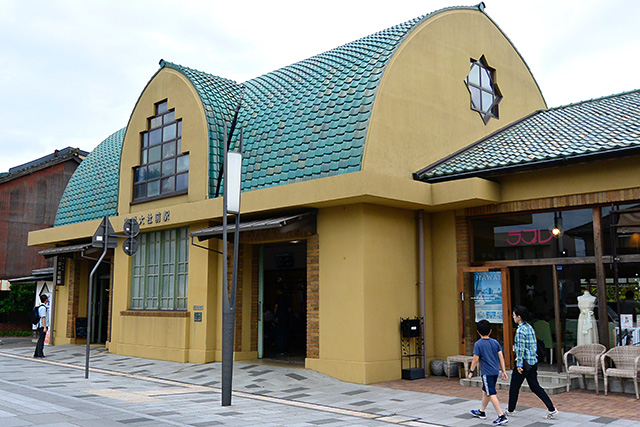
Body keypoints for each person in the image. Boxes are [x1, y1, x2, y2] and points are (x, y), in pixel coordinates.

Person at [507, 306, 558, 419]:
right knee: (535, 386)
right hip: (532, 362)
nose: (513, 317)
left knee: (514, 387)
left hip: (524, 363)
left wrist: (519, 365)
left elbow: (520, 350)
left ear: (519, 317)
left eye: (514, 315)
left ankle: (510, 410)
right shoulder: (530, 327)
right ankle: (551, 409)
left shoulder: (520, 330)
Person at [469, 319, 509, 425]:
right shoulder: (495, 342)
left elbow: (475, 360)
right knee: (485, 391)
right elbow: (501, 357)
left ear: (478, 332)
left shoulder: (478, 344)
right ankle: (481, 412)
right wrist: (504, 371)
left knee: (491, 393)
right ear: (490, 331)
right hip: (495, 372)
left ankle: (501, 416)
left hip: (486, 373)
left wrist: (471, 371)